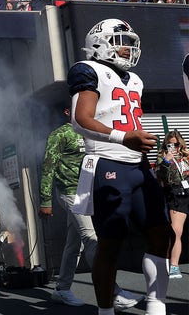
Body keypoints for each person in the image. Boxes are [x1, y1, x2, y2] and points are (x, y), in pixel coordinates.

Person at [69, 18, 174, 315]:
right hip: (106, 163)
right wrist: (123, 137)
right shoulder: (88, 70)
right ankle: (105, 310)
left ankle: (156, 306)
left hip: (137, 166)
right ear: (99, 43)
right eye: (121, 43)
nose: (128, 50)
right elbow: (80, 120)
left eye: (130, 44)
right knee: (111, 242)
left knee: (162, 233)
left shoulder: (136, 80)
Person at [39, 106, 142, 309]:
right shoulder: (60, 134)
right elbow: (48, 166)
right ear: (67, 112)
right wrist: (45, 200)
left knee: (74, 243)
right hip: (69, 191)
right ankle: (112, 291)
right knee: (92, 237)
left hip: (89, 191)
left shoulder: (94, 131)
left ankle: (62, 289)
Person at [155, 130, 188, 279]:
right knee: (176, 231)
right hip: (175, 195)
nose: (174, 147)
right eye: (170, 144)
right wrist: (167, 160)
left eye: (176, 144)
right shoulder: (162, 158)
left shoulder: (186, 158)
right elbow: (160, 175)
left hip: (187, 192)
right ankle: (174, 265)